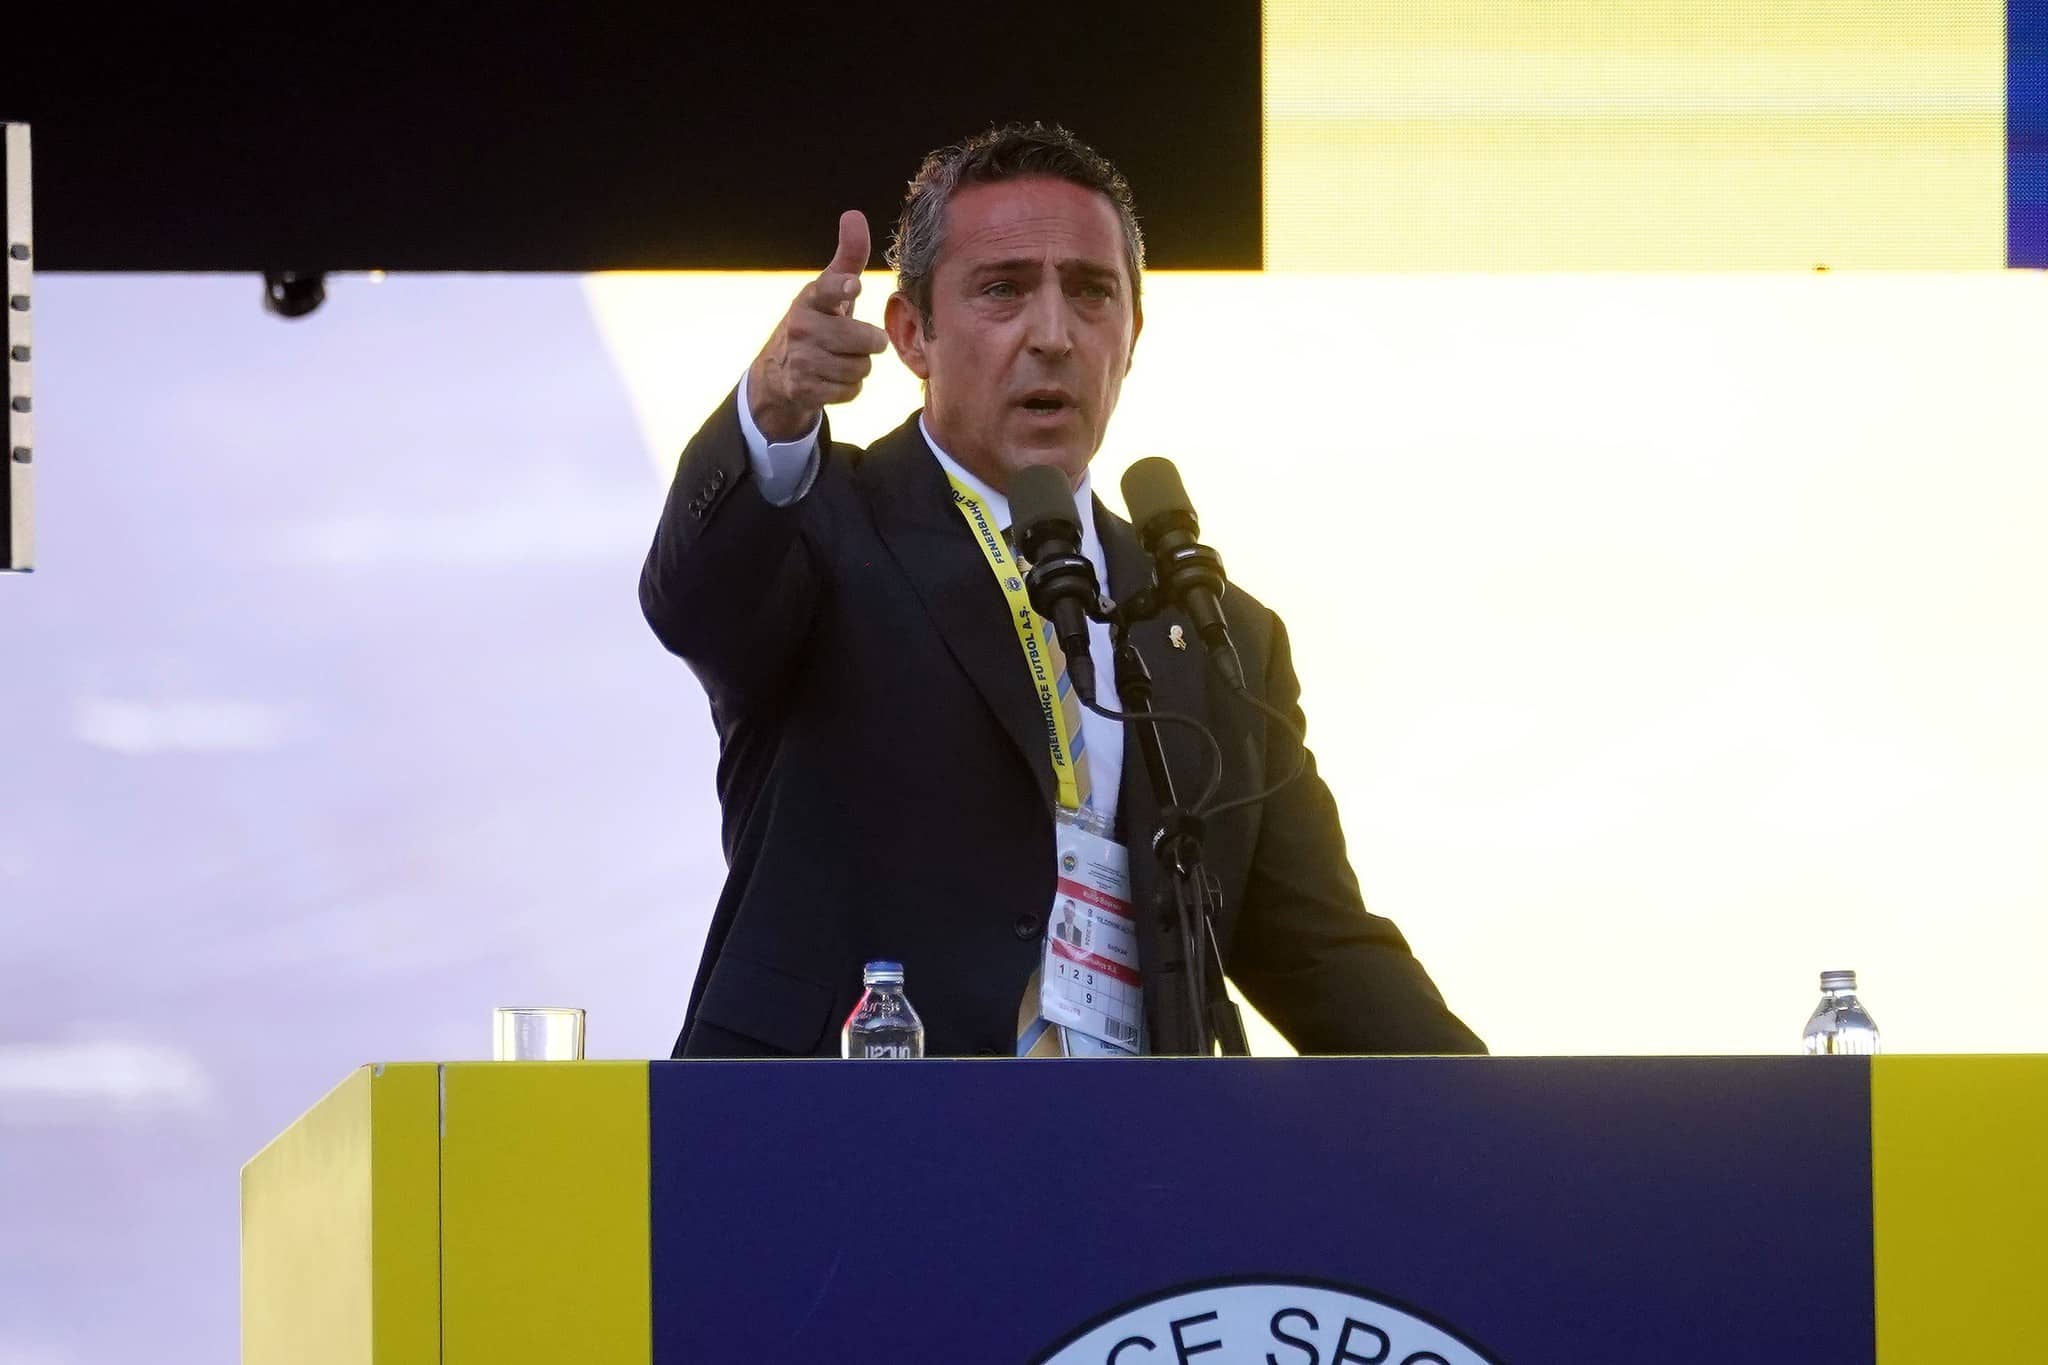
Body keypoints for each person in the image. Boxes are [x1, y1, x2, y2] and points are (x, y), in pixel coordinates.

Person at [640, 123, 1482, 1058]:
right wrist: (772, 404)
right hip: (855, 1121)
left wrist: (1530, 1120)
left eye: (1091, 292)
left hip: (1134, 1137)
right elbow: (692, 600)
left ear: (1132, 335)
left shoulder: (1216, 629)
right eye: (1003, 289)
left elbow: (1322, 953)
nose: (1052, 335)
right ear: (913, 335)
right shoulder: (821, 522)